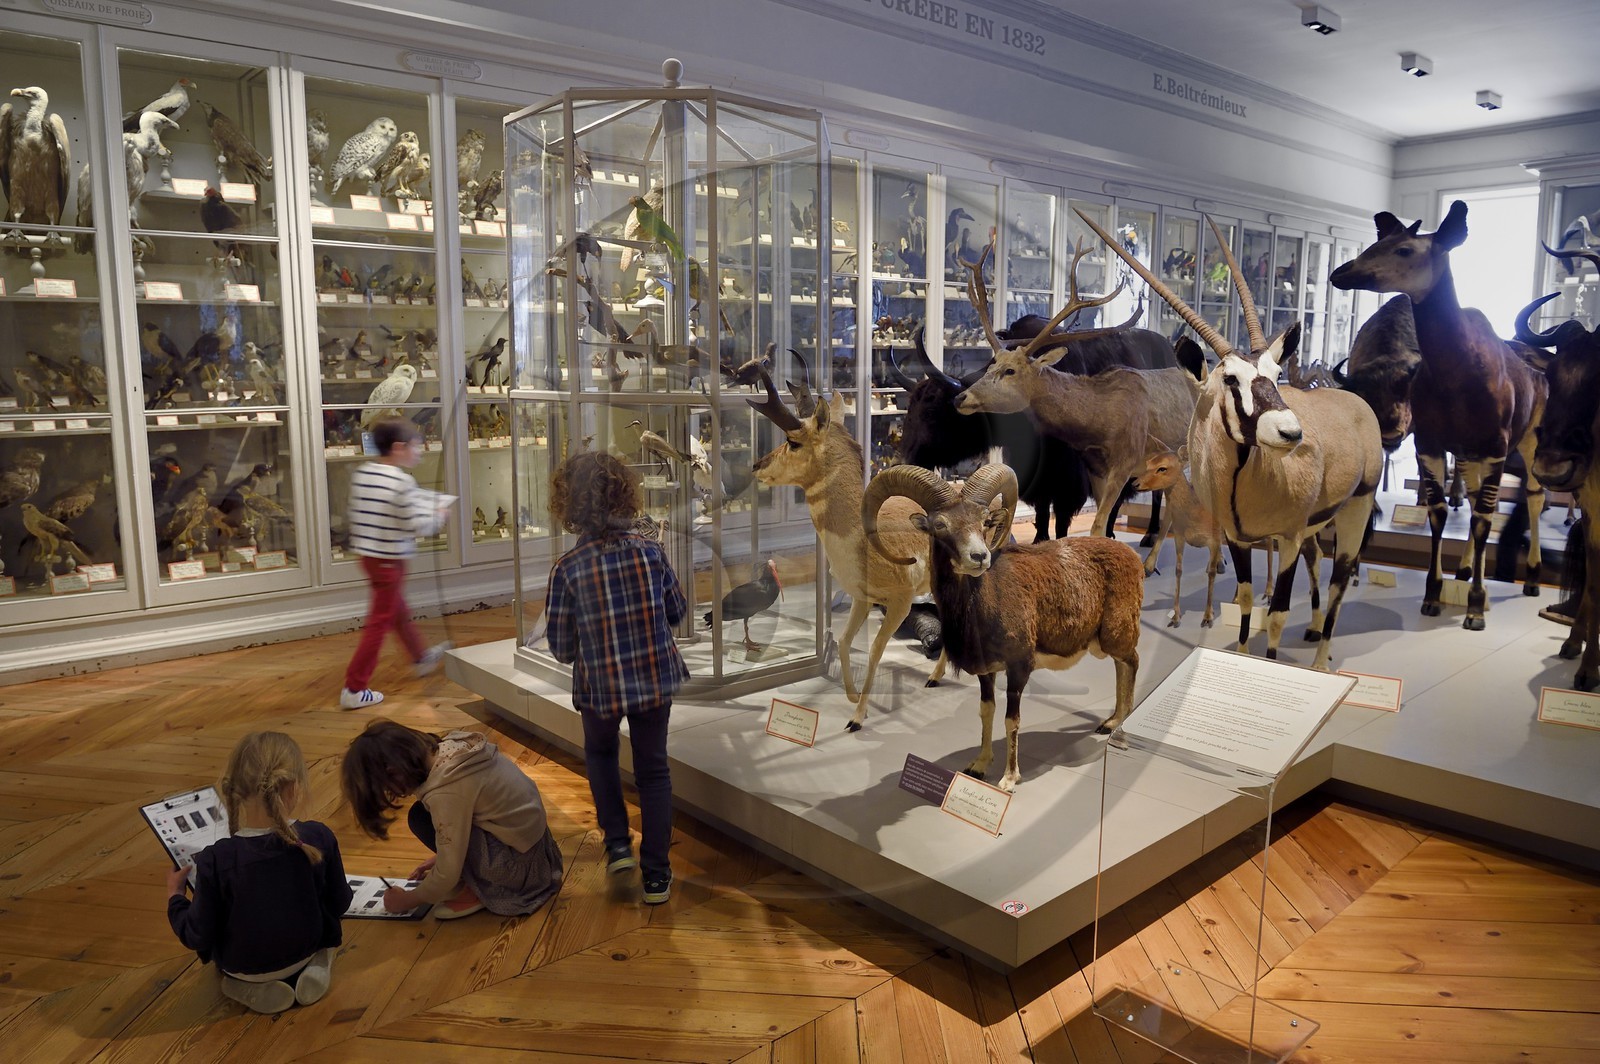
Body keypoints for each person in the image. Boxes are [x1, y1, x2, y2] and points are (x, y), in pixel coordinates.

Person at [543, 450, 689, 905]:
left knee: (601, 755)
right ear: (625, 492)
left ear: (568, 506)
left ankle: (618, 845)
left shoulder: (568, 568)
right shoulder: (651, 551)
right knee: (654, 770)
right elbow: (677, 611)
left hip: (600, 685)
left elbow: (562, 647)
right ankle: (657, 876)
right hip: (653, 675)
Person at [166, 732, 352, 1015]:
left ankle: (244, 986)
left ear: (235, 789)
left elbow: (197, 935)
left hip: (244, 967)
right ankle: (316, 966)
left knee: (230, 966)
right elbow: (340, 902)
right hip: (307, 949)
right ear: (292, 788)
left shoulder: (216, 859)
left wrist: (175, 897)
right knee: (325, 942)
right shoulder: (317, 836)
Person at [341, 719, 563, 919]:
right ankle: (477, 872)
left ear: (394, 771)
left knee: (421, 819)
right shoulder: (452, 750)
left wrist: (406, 900)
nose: (397, 796)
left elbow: (448, 874)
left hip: (519, 872)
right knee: (422, 814)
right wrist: (442, 856)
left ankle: (480, 891)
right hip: (538, 852)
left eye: (388, 790)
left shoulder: (447, 790)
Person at [340, 415, 454, 710]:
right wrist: (439, 514)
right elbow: (418, 525)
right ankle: (354, 687)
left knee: (396, 611)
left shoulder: (364, 472)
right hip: (390, 561)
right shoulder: (402, 482)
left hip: (369, 557)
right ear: (400, 447)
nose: (419, 451)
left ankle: (420, 657)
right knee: (379, 622)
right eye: (416, 446)